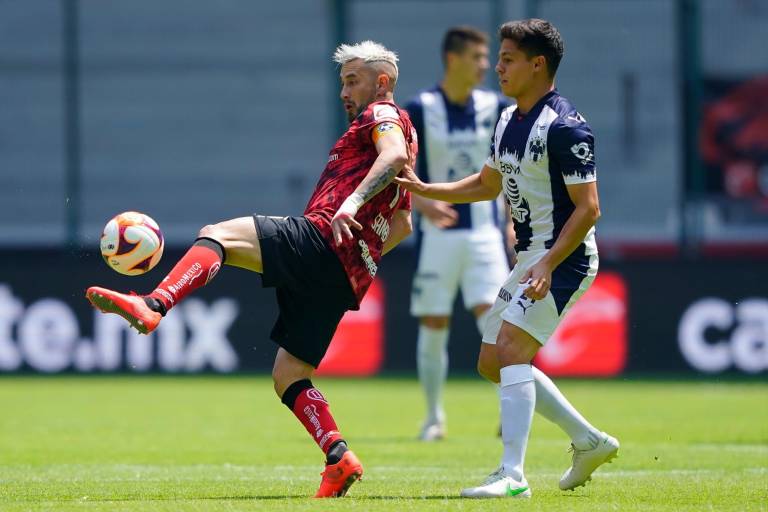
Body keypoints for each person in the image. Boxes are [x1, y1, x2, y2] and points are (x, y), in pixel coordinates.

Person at [85, 40, 417, 499]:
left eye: (353, 80)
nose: (344, 90)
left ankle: (154, 304)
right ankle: (339, 457)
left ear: (381, 83)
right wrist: (362, 254)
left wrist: (351, 205)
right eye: (342, 81)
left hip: (322, 239)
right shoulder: (406, 138)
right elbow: (402, 223)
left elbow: (392, 155)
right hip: (346, 273)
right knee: (289, 375)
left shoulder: (381, 117)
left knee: (218, 234)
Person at [396, 19, 619, 499]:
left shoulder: (566, 126)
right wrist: (426, 188)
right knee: (492, 361)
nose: (496, 67)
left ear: (538, 64)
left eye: (508, 59)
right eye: (496, 57)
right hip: (531, 258)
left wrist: (548, 263)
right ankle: (589, 440)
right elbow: (487, 184)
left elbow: (590, 208)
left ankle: (512, 476)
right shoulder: (507, 119)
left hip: (567, 258)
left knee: (514, 350)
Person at [404, 26, 513, 442]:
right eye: (478, 58)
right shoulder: (419, 108)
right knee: (434, 324)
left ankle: (510, 409)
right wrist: (421, 202)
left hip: (485, 234)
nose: (487, 66)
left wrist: (510, 221)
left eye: (488, 58)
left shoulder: (496, 108)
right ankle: (434, 417)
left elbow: (509, 170)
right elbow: (395, 168)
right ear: (453, 59)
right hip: (437, 238)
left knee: (495, 323)